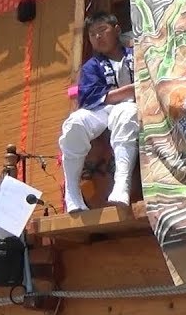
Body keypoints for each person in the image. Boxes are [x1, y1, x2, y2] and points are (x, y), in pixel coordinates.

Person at [59, 11, 139, 213]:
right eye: (92, 34)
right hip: (101, 111)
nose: (98, 37)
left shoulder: (137, 54)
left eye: (102, 30)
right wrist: (130, 90)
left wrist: (126, 94)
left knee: (127, 112)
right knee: (74, 124)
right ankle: (72, 192)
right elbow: (91, 97)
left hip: (133, 107)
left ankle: (122, 184)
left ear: (117, 30)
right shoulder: (91, 67)